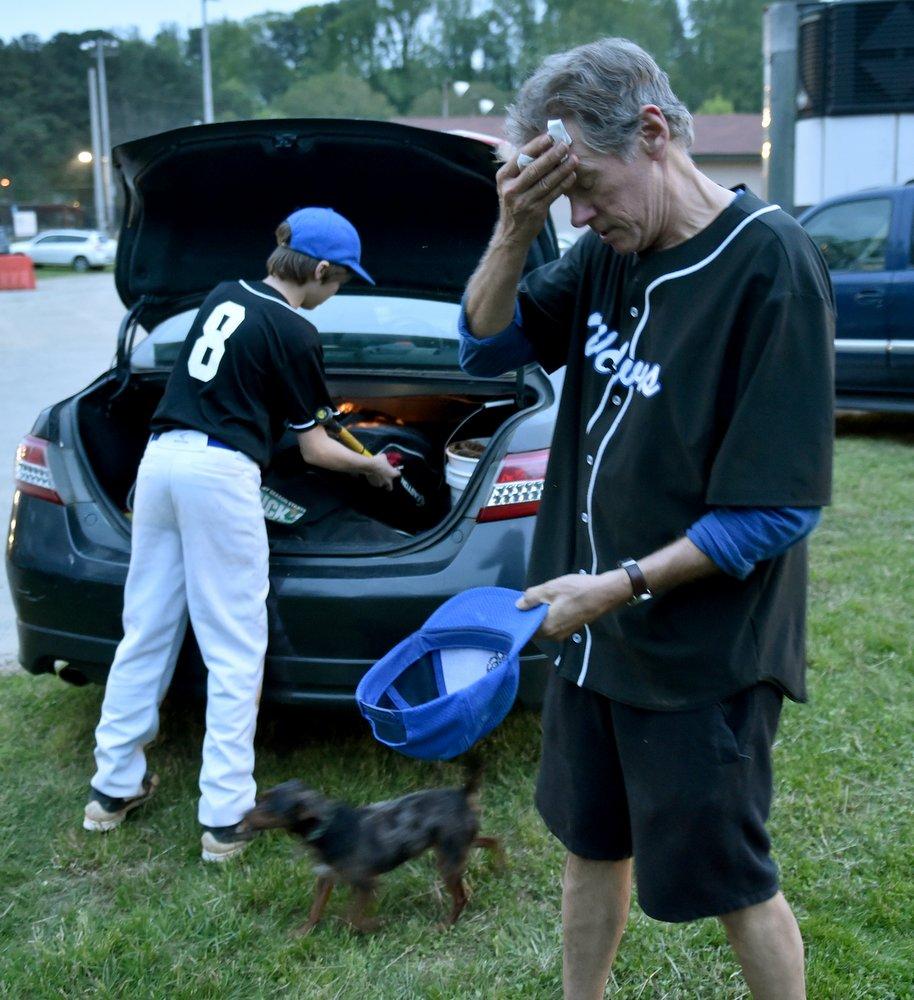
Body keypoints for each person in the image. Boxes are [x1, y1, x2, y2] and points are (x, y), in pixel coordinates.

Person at [459, 38, 834, 1000]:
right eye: (563, 198)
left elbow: (775, 510)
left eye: (585, 185)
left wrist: (617, 587)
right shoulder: (599, 253)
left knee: (733, 879)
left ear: (655, 132)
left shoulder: (770, 266)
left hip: (697, 653)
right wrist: (516, 226)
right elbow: (484, 348)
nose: (579, 213)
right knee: (592, 843)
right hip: (589, 636)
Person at [83, 207, 400, 861]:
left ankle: (111, 790)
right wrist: (370, 468)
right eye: (339, 282)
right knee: (234, 647)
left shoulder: (225, 294)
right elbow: (315, 450)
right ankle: (226, 818)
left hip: (161, 463)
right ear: (318, 270)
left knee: (145, 629)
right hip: (219, 475)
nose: (335, 294)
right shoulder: (295, 330)